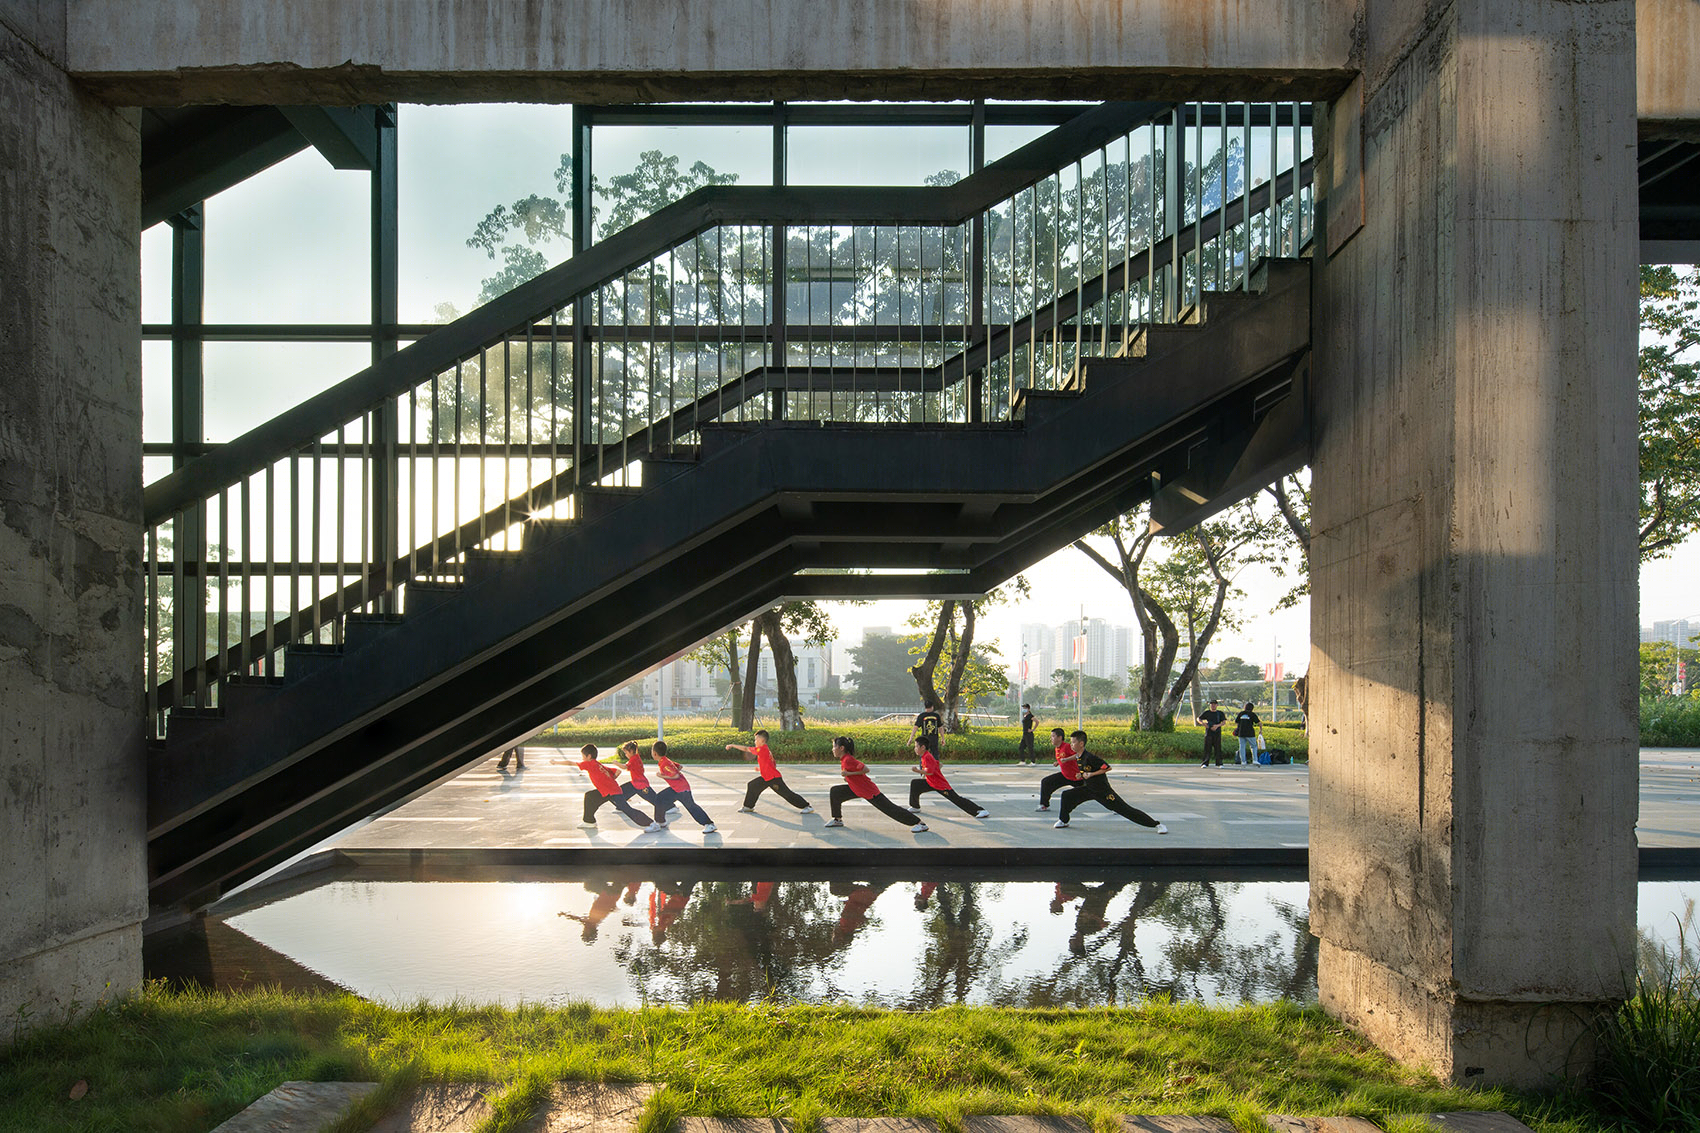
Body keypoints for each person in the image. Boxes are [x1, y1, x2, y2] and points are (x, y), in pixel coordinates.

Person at [1052, 729, 1168, 833]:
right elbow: (1082, 765)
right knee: (1067, 795)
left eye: (1073, 742)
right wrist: (1081, 774)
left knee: (1125, 810)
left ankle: (1157, 825)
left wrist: (1091, 774)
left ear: (1081, 744)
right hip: (1089, 789)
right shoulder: (1079, 756)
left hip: (1103, 791)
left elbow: (1107, 767)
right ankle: (1064, 820)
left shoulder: (1090, 757)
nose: (1071, 745)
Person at [823, 735, 927, 832]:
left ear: (841, 748)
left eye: (834, 747)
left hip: (868, 790)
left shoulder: (849, 759)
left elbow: (865, 769)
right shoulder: (844, 759)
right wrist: (848, 777)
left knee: (890, 809)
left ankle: (919, 823)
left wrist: (848, 774)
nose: (832, 749)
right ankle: (837, 819)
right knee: (836, 792)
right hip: (856, 788)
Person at [571, 743, 659, 830]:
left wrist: (556, 762)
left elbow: (571, 763)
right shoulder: (598, 764)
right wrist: (611, 780)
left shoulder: (590, 764)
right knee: (590, 796)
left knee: (627, 810)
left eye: (583, 756)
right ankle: (588, 821)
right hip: (608, 791)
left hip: (613, 792)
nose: (582, 759)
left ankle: (651, 824)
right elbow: (618, 771)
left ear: (589, 756)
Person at [727, 730, 815, 814]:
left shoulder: (761, 749)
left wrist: (732, 745)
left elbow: (746, 749)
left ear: (762, 740)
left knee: (787, 794)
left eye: (756, 739)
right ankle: (748, 806)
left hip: (773, 779)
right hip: (767, 777)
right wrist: (761, 769)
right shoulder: (766, 750)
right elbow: (772, 763)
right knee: (752, 785)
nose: (755, 741)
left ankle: (806, 806)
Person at [907, 737, 991, 818]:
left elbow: (930, 771)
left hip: (939, 785)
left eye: (916, 746)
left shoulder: (927, 757)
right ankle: (915, 807)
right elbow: (939, 764)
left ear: (923, 747)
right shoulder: (925, 756)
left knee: (956, 799)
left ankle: (979, 810)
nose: (915, 748)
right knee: (915, 784)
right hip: (931, 782)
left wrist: (917, 770)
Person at [649, 740, 717, 832]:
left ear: (654, 753)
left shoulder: (664, 763)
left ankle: (709, 824)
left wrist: (661, 776)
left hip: (682, 790)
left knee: (691, 807)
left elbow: (676, 775)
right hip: (676, 789)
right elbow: (679, 766)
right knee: (660, 798)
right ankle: (660, 822)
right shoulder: (665, 760)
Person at [1035, 726, 1080, 811]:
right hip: (1065, 776)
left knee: (1096, 791)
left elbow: (1078, 755)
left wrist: (1066, 759)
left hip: (1077, 777)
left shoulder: (1067, 746)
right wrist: (1058, 762)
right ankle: (1044, 805)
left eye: (1053, 736)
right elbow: (1062, 758)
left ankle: (1113, 806)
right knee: (1046, 782)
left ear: (1060, 737)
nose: (1051, 738)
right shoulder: (1057, 748)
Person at [605, 740, 663, 806]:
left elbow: (624, 767)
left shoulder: (633, 759)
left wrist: (616, 763)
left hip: (640, 784)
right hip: (636, 783)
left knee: (653, 799)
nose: (625, 755)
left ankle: (669, 807)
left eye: (626, 753)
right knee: (621, 791)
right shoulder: (636, 757)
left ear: (631, 751)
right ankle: (620, 805)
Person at [1196, 699, 1227, 767]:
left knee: (1218, 748)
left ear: (1217, 705)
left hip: (1217, 732)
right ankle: (1205, 763)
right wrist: (1203, 723)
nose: (1213, 705)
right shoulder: (1207, 712)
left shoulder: (1220, 713)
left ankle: (1219, 763)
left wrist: (1217, 726)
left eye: (1214, 704)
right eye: (1211, 704)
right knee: (1207, 748)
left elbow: (1224, 722)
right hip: (1209, 732)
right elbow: (1198, 718)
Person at [1234, 701, 1263, 766]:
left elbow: (1236, 722)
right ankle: (1255, 760)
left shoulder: (1241, 713)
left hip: (1241, 733)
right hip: (1250, 733)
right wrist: (1260, 730)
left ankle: (1243, 761)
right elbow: (1259, 723)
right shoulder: (1252, 714)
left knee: (1242, 747)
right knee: (1253, 746)